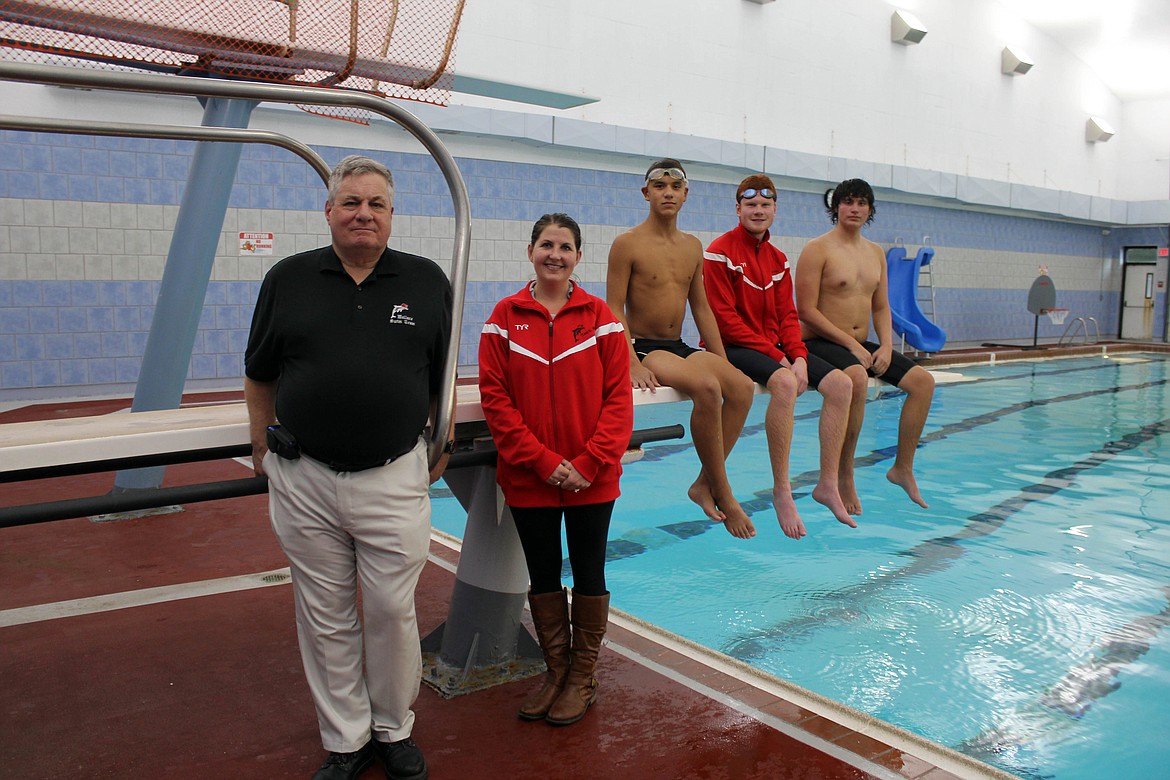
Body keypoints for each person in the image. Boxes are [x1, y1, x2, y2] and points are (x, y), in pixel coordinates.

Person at [244, 155, 451, 780]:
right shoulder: (289, 278)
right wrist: (260, 446)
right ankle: (346, 739)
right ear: (328, 211)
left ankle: (393, 727)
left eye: (377, 204)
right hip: (305, 475)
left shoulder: (426, 281)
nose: (364, 214)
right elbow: (260, 373)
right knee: (324, 612)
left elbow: (443, 374)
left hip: (393, 475)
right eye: (352, 203)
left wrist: (437, 442)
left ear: (392, 216)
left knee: (391, 609)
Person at [479, 213, 633, 726]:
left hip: (592, 477)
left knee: (589, 571)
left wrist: (589, 463)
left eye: (565, 247)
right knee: (543, 572)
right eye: (547, 245)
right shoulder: (504, 316)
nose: (555, 255)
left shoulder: (602, 317)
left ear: (577, 257)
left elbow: (619, 399)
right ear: (530, 252)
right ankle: (557, 671)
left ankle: (582, 677)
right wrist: (544, 462)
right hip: (530, 477)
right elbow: (496, 401)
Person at [606, 158, 757, 539]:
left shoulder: (693, 246)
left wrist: (721, 358)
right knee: (706, 389)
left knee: (739, 387)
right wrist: (630, 362)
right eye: (660, 186)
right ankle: (724, 492)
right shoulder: (627, 244)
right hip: (644, 346)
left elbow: (701, 307)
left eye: (675, 186)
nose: (668, 192)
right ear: (647, 193)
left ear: (686, 195)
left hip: (679, 344)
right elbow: (613, 308)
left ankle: (703, 483)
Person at [704, 174, 857, 540]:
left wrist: (799, 355)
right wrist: (780, 359)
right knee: (785, 384)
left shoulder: (777, 258)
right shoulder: (719, 251)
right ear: (738, 208)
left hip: (773, 347)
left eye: (765, 205)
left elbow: (788, 316)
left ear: (774, 210)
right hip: (735, 346)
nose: (758, 211)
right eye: (751, 205)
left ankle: (827, 484)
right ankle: (782, 491)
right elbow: (725, 320)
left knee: (841, 384)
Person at [795, 177, 935, 512]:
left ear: (870, 210)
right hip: (820, 340)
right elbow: (806, 311)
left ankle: (902, 467)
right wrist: (849, 344)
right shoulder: (818, 249)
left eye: (861, 203)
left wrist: (885, 346)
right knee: (857, 376)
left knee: (923, 383)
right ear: (836, 207)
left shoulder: (875, 253)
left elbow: (881, 306)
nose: (854, 208)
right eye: (848, 202)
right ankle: (844, 475)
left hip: (860, 343)